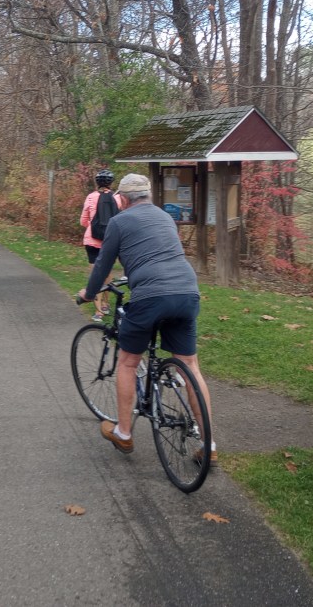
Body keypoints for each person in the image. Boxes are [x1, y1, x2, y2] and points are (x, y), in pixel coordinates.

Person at [77, 173, 216, 462]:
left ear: (123, 199)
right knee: (190, 366)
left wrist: (89, 294)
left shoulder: (119, 222)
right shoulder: (165, 217)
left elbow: (102, 264)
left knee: (128, 362)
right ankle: (209, 446)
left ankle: (124, 433)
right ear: (149, 196)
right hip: (187, 291)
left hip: (151, 295)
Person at [79, 169, 125, 322]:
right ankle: (105, 304)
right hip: (110, 241)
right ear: (111, 183)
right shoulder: (118, 199)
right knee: (107, 272)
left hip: (92, 241)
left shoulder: (91, 197)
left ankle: (98, 312)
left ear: (97, 183)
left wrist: (93, 227)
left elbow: (83, 221)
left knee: (96, 274)